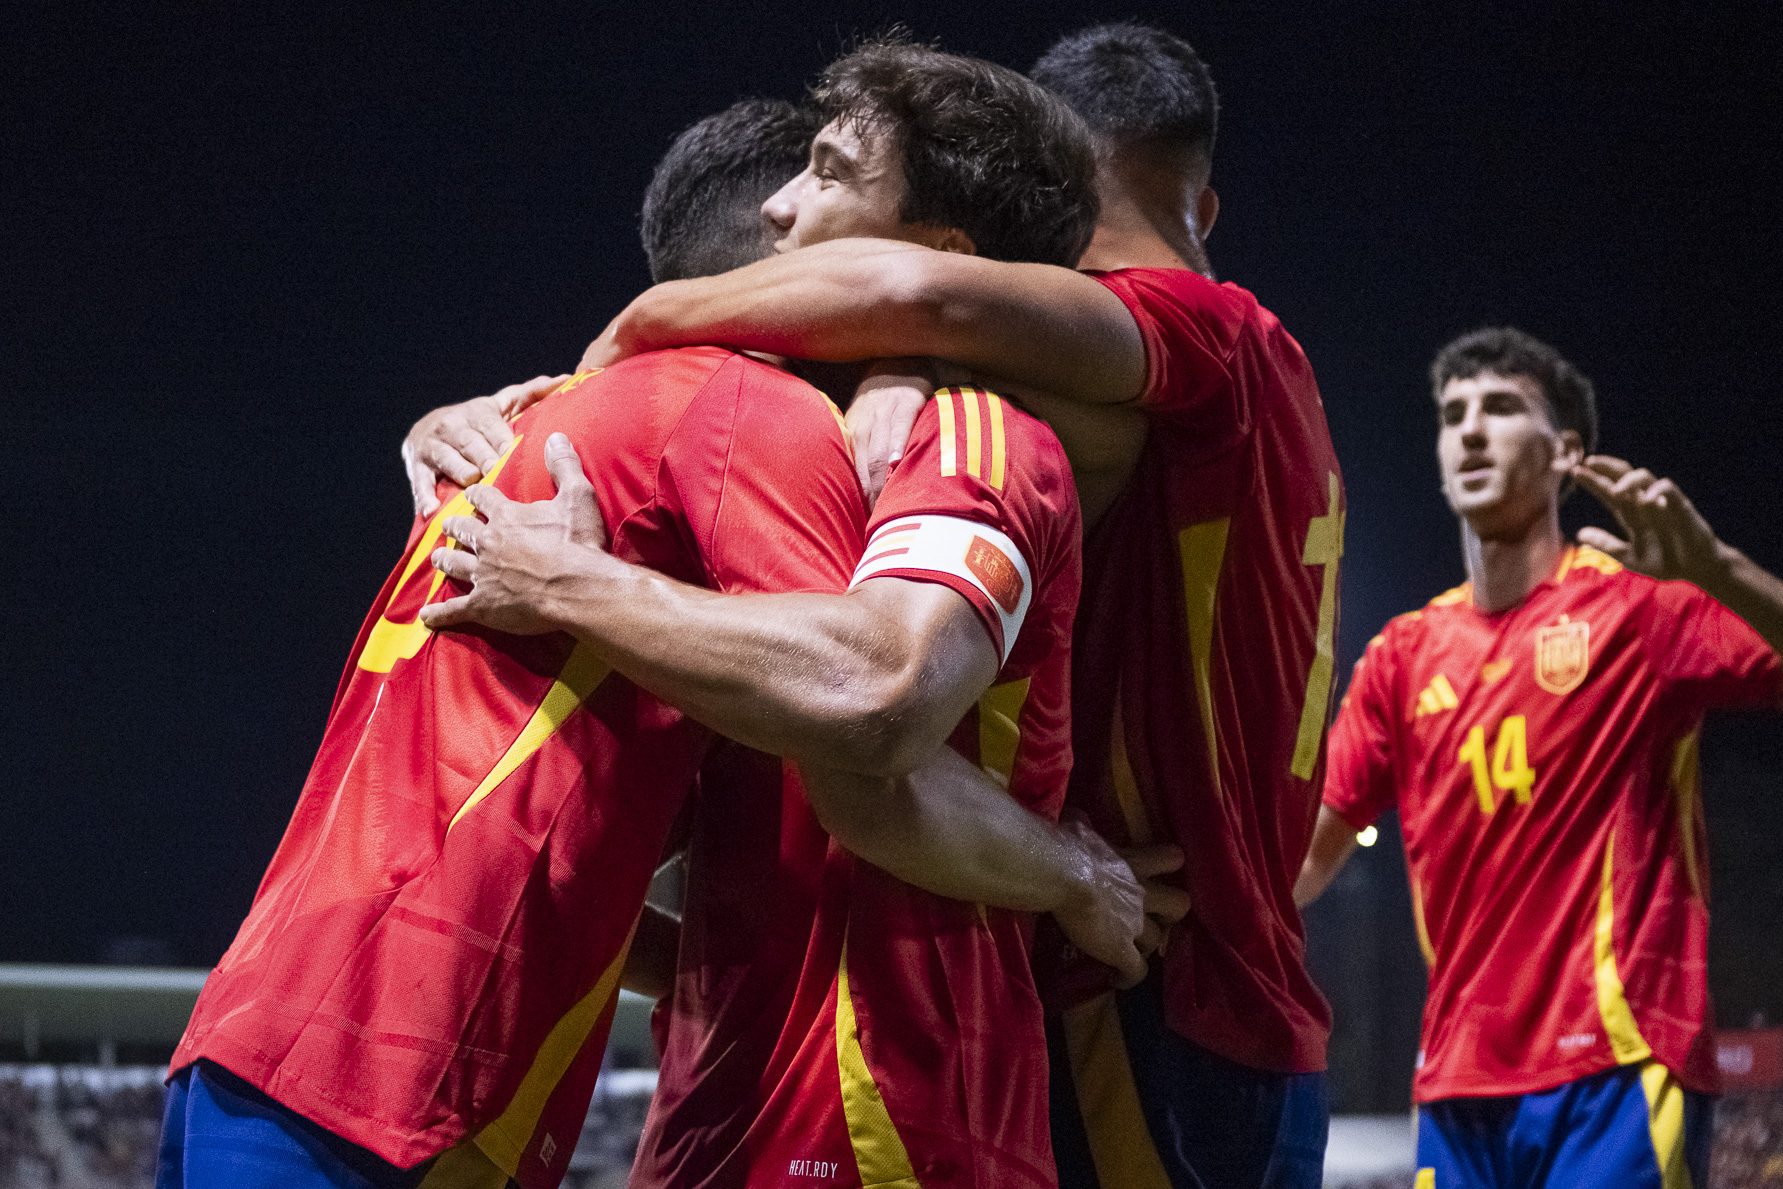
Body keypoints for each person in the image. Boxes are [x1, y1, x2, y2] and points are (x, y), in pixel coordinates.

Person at [159, 97, 1156, 1189]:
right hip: (404, 1073)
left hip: (278, 1033)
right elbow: (869, 700)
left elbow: (587, 813)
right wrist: (1072, 872)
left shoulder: (541, 419)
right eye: (803, 177)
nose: (791, 204)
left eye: (827, 176)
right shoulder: (740, 410)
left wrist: (719, 961)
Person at [523, 22, 1340, 1189]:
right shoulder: (1233, 403)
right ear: (1202, 204)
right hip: (1200, 987)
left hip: (1148, 985)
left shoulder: (1192, 341)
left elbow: (921, 298)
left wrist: (642, 329)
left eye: (826, 175)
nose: (785, 212)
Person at [1296, 327, 1783, 1189]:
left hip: (1617, 1066)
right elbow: (1298, 863)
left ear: (1565, 451)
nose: (1470, 431)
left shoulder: (1639, 610)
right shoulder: (1402, 656)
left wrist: (1717, 569)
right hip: (1455, 1088)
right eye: (1452, 415)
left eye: (1499, 407)